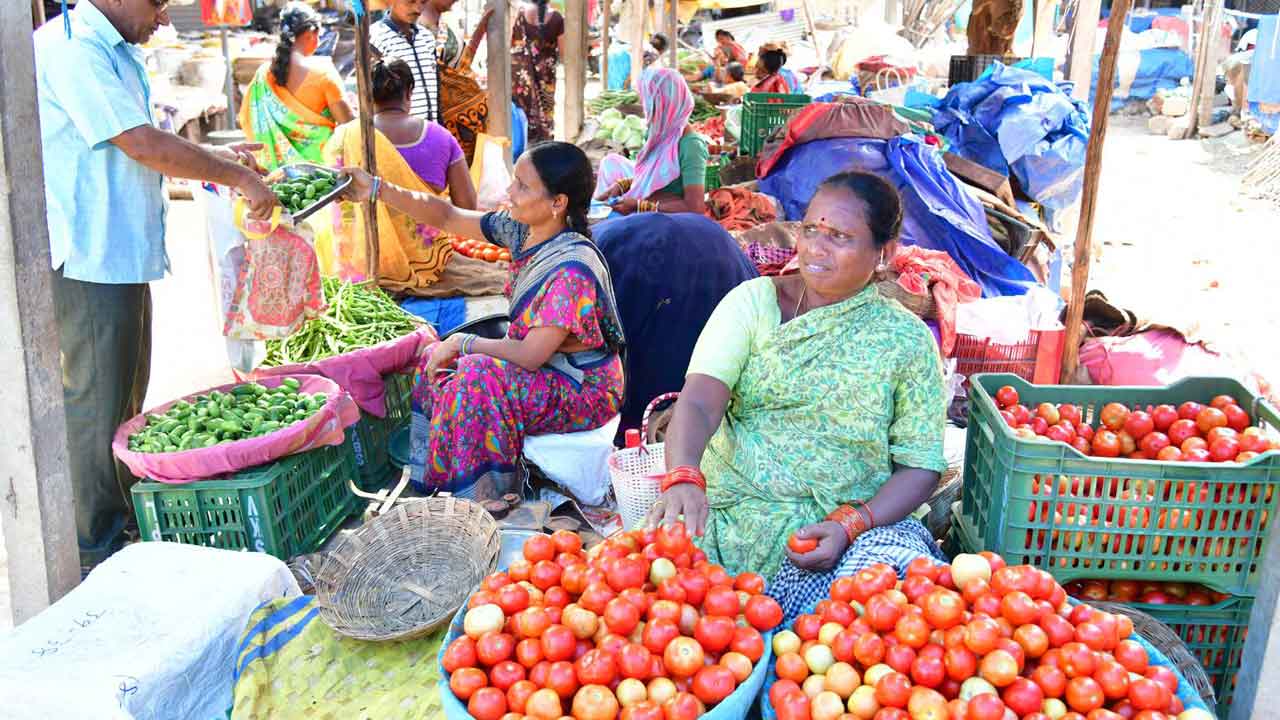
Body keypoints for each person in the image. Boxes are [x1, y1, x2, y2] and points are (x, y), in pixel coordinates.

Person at [34, 0, 277, 568]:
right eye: (157, 5)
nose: (163, 20)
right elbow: (142, 145)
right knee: (96, 407)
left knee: (120, 401)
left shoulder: (110, 50)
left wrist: (216, 155)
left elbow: (143, 140)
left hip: (117, 252)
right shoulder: (73, 48)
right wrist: (236, 176)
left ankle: (114, 531)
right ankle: (94, 547)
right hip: (90, 255)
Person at [645, 171, 947, 620]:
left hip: (848, 533)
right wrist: (685, 475)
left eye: (840, 236)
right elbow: (699, 400)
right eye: (810, 229)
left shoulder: (906, 339)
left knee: (884, 614)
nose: (816, 248)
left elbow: (920, 465)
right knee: (650, 601)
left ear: (883, 254)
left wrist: (852, 524)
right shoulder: (753, 303)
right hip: (730, 516)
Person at [339, 142, 624, 500]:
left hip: (583, 388)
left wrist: (463, 343)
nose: (509, 191)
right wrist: (377, 189)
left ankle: (483, 497)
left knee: (474, 376)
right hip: (547, 370)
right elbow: (446, 216)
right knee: (433, 356)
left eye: (522, 185)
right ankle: (435, 483)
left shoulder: (571, 270)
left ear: (558, 203)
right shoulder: (523, 231)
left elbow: (532, 355)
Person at [322, 59, 477, 292]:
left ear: (367, 94)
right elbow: (467, 206)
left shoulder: (346, 137)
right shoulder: (441, 137)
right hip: (426, 262)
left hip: (361, 262)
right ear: (409, 92)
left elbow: (333, 203)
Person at [239, 2, 354, 170]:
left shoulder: (262, 75)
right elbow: (350, 127)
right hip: (320, 177)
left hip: (275, 178)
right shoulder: (324, 75)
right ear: (311, 33)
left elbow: (248, 120)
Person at [594, 68, 709, 216]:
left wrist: (641, 206)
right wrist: (624, 185)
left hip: (667, 217)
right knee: (611, 163)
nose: (645, 109)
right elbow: (657, 176)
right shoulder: (662, 133)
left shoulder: (691, 145)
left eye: (648, 104)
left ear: (663, 105)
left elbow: (695, 207)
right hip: (653, 202)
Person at [420, 0, 493, 163]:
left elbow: (460, 66)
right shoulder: (418, 27)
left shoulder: (442, 25)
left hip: (461, 128)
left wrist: (479, 32)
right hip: (437, 123)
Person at [371, 0, 441, 123]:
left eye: (423, 2)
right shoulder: (375, 38)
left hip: (429, 129)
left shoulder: (427, 38)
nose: (418, 9)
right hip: (397, 131)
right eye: (411, 1)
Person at [512, 0, 565, 143]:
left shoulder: (520, 14)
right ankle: (544, 143)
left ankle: (524, 144)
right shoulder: (557, 18)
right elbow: (564, 52)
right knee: (546, 112)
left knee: (523, 112)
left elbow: (512, 44)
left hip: (522, 78)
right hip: (546, 77)